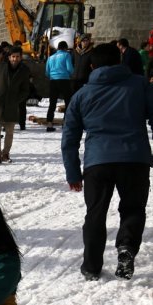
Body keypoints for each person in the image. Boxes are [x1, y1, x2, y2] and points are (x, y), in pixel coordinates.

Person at [61, 43, 152, 281]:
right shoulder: (140, 85)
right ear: (120, 60)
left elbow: (69, 137)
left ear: (92, 66)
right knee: (133, 208)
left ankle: (91, 266)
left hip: (97, 162)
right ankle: (126, 248)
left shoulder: (81, 94)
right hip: (135, 159)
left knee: (95, 213)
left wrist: (73, 172)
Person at [0, 46, 30, 163]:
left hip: (12, 105)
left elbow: (26, 89)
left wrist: (16, 100)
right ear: (9, 57)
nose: (15, 59)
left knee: (9, 133)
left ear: (20, 57)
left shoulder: (24, 70)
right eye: (13, 57)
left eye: (17, 57)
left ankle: (5, 154)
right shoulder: (0, 66)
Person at [45, 41, 75, 132]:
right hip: (64, 80)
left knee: (52, 103)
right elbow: (70, 68)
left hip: (53, 81)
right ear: (65, 48)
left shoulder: (50, 57)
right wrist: (70, 74)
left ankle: (49, 123)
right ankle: (65, 122)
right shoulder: (66, 55)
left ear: (58, 48)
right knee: (68, 101)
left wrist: (52, 76)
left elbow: (47, 72)